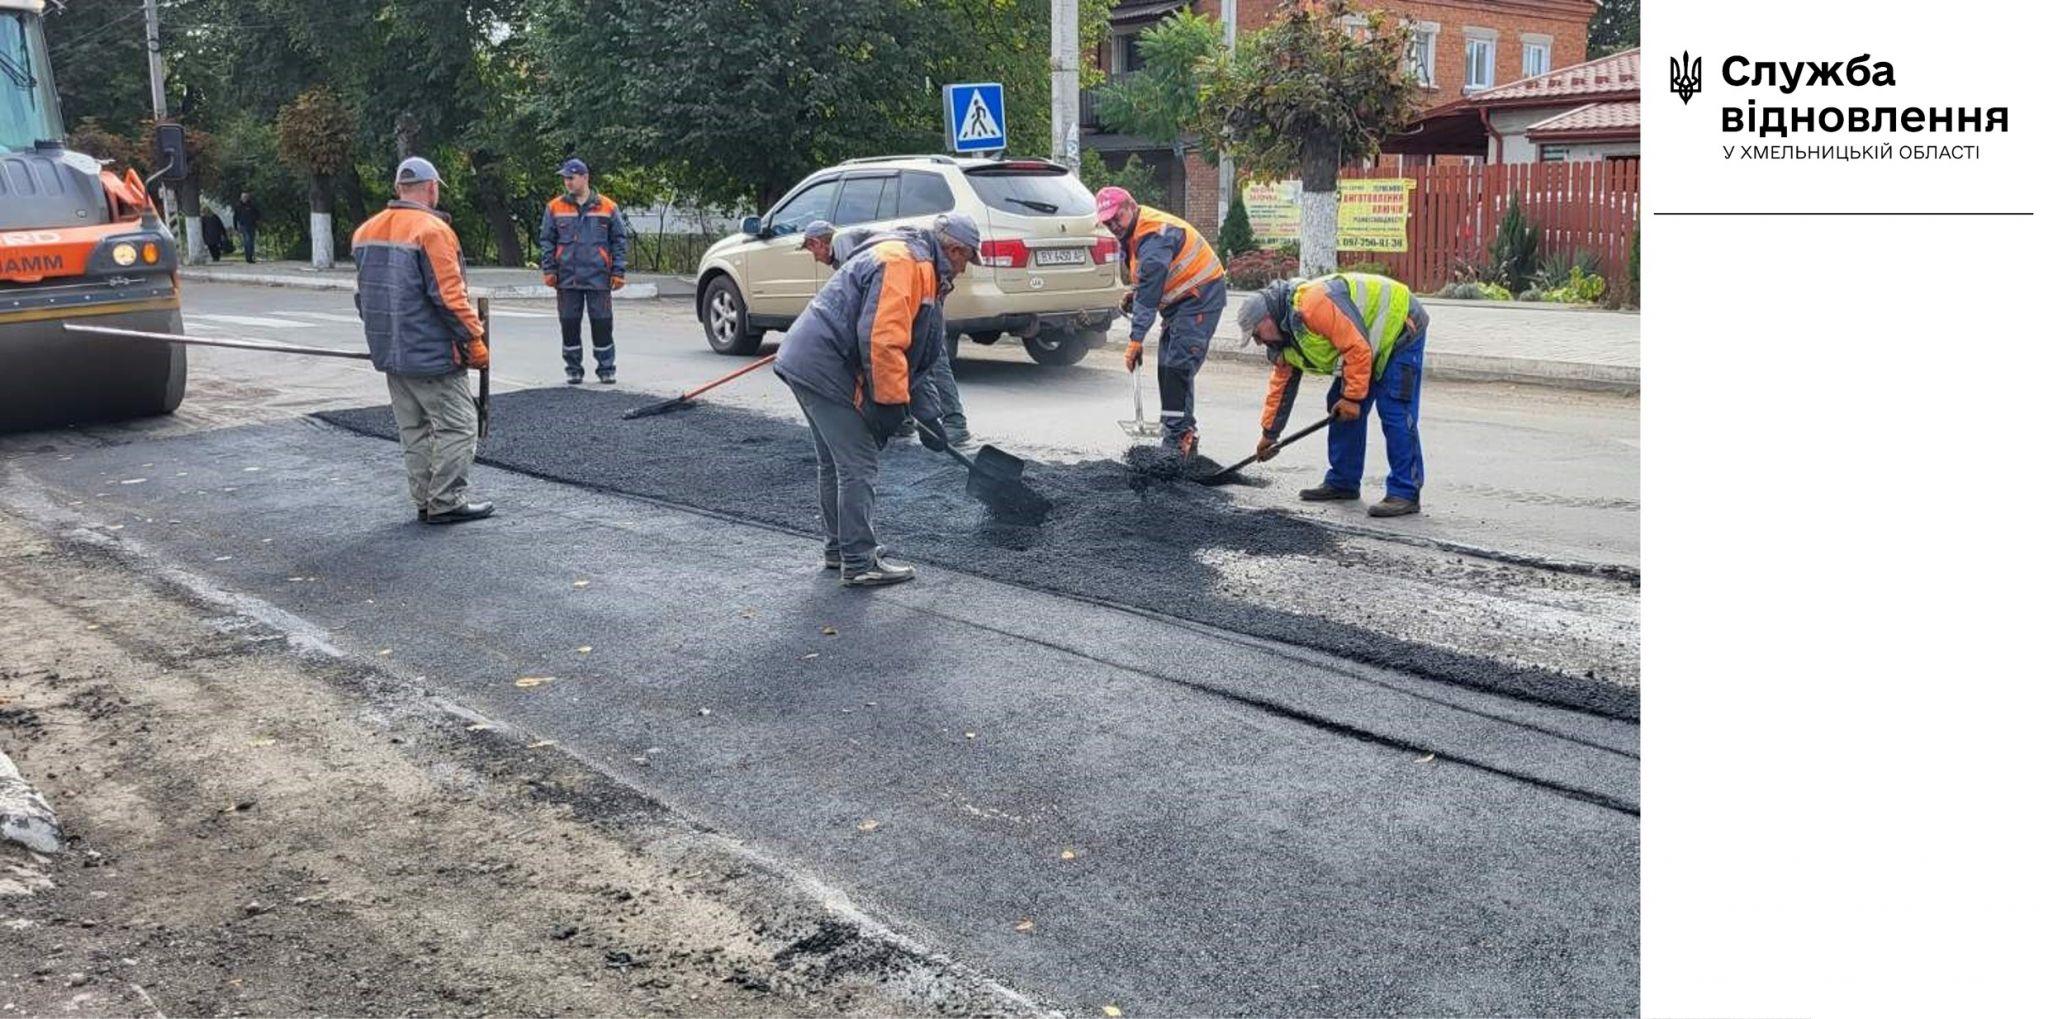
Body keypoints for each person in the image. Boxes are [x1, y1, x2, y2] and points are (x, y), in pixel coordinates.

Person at [772, 215, 982, 587]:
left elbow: (915, 353)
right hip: (825, 366)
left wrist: (929, 414)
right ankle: (859, 561)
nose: (965, 270)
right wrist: (889, 405)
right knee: (858, 464)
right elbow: (883, 341)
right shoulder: (905, 263)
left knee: (835, 463)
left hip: (806, 360)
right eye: (968, 259)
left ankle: (841, 548)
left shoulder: (918, 263)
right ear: (954, 249)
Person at [351, 157, 494, 525]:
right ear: (432, 188)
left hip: (390, 351)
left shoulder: (366, 231)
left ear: (399, 188)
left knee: (413, 429)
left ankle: (424, 500)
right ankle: (446, 501)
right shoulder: (432, 231)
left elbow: (363, 298)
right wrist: (473, 339)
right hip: (431, 353)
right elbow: (449, 296)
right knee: (460, 425)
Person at [1236, 272, 1430, 517]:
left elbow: (1356, 347)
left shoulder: (1314, 304)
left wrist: (1352, 398)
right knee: (1338, 406)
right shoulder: (1283, 340)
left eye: (1256, 334)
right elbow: (1281, 387)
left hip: (1400, 326)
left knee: (1395, 410)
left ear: (1267, 318)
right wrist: (1270, 434)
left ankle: (1405, 492)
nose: (1258, 342)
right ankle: (1343, 482)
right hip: (1364, 344)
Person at [801, 219, 971, 445]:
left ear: (817, 242)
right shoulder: (851, 246)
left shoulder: (842, 243)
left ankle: (954, 421)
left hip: (911, 297)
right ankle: (906, 420)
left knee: (930, 358)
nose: (814, 257)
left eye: (811, 249)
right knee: (902, 357)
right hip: (907, 296)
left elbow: (868, 296)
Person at [1095, 185, 1227, 458]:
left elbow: (1151, 288)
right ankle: (1177, 434)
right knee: (1167, 367)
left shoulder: (1153, 234)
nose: (1112, 226)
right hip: (1181, 303)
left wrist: (1136, 339)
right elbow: (1147, 281)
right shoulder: (1134, 233)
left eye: (1116, 218)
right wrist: (1136, 292)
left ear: (1131, 207)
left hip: (1199, 297)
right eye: (1106, 222)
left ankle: (1178, 438)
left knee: (1179, 366)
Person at [540, 158, 628, 385]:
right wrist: (549, 269)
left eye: (571, 177)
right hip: (567, 278)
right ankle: (573, 368)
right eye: (565, 178)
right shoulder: (555, 207)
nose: (567, 182)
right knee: (569, 323)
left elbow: (618, 240)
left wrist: (618, 271)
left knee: (602, 323)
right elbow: (547, 240)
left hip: (598, 277)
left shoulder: (607, 207)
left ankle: (606, 368)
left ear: (585, 177)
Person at [232, 192, 259, 263]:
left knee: (251, 242)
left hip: (252, 226)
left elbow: (257, 214)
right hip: (243, 226)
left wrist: (256, 220)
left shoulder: (252, 205)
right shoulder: (238, 206)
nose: (245, 198)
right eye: (243, 197)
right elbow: (235, 217)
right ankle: (248, 257)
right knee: (247, 240)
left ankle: (250, 257)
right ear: (241, 198)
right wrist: (235, 228)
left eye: (246, 197)